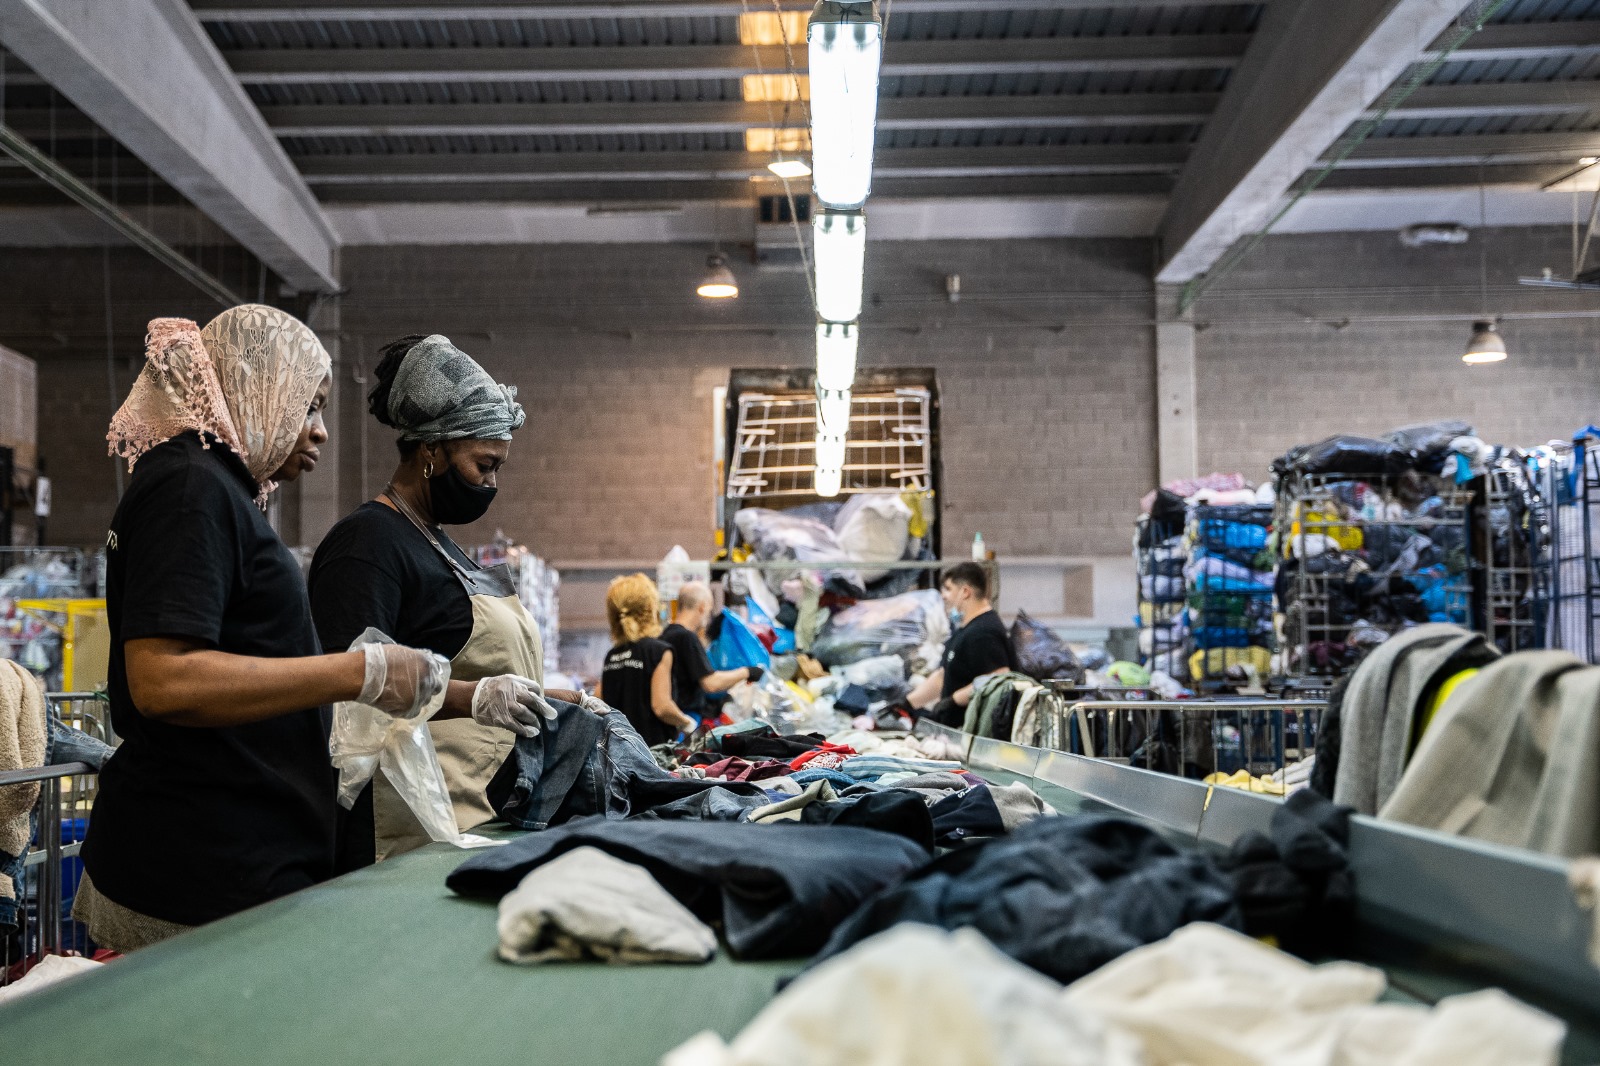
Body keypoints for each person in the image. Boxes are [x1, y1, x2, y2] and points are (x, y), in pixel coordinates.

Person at [77, 307, 441, 952]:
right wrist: (359, 672)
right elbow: (164, 681)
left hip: (231, 860)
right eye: (310, 405)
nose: (321, 430)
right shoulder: (191, 488)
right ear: (256, 385)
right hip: (195, 872)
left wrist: (457, 691)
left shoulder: (216, 488)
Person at [309, 334, 580, 861]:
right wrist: (474, 698)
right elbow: (347, 690)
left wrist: (551, 700)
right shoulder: (367, 544)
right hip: (409, 829)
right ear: (432, 450)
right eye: (484, 464)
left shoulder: (438, 544)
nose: (491, 483)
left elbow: (473, 665)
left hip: (476, 815)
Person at [908, 561, 1017, 726]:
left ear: (965, 592)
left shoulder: (984, 632)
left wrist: (954, 700)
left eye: (948, 589)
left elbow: (998, 679)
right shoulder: (965, 630)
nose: (943, 596)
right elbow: (943, 676)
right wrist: (907, 703)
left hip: (973, 731)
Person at [597, 573, 697, 747]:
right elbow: (662, 707)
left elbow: (598, 701)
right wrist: (686, 722)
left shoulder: (612, 655)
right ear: (650, 608)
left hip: (617, 751)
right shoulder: (658, 651)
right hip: (651, 750)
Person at [659, 580, 762, 725]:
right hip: (685, 719)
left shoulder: (665, 635)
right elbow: (710, 683)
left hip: (673, 719)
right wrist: (748, 672)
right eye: (709, 611)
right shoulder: (687, 637)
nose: (708, 619)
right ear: (702, 607)